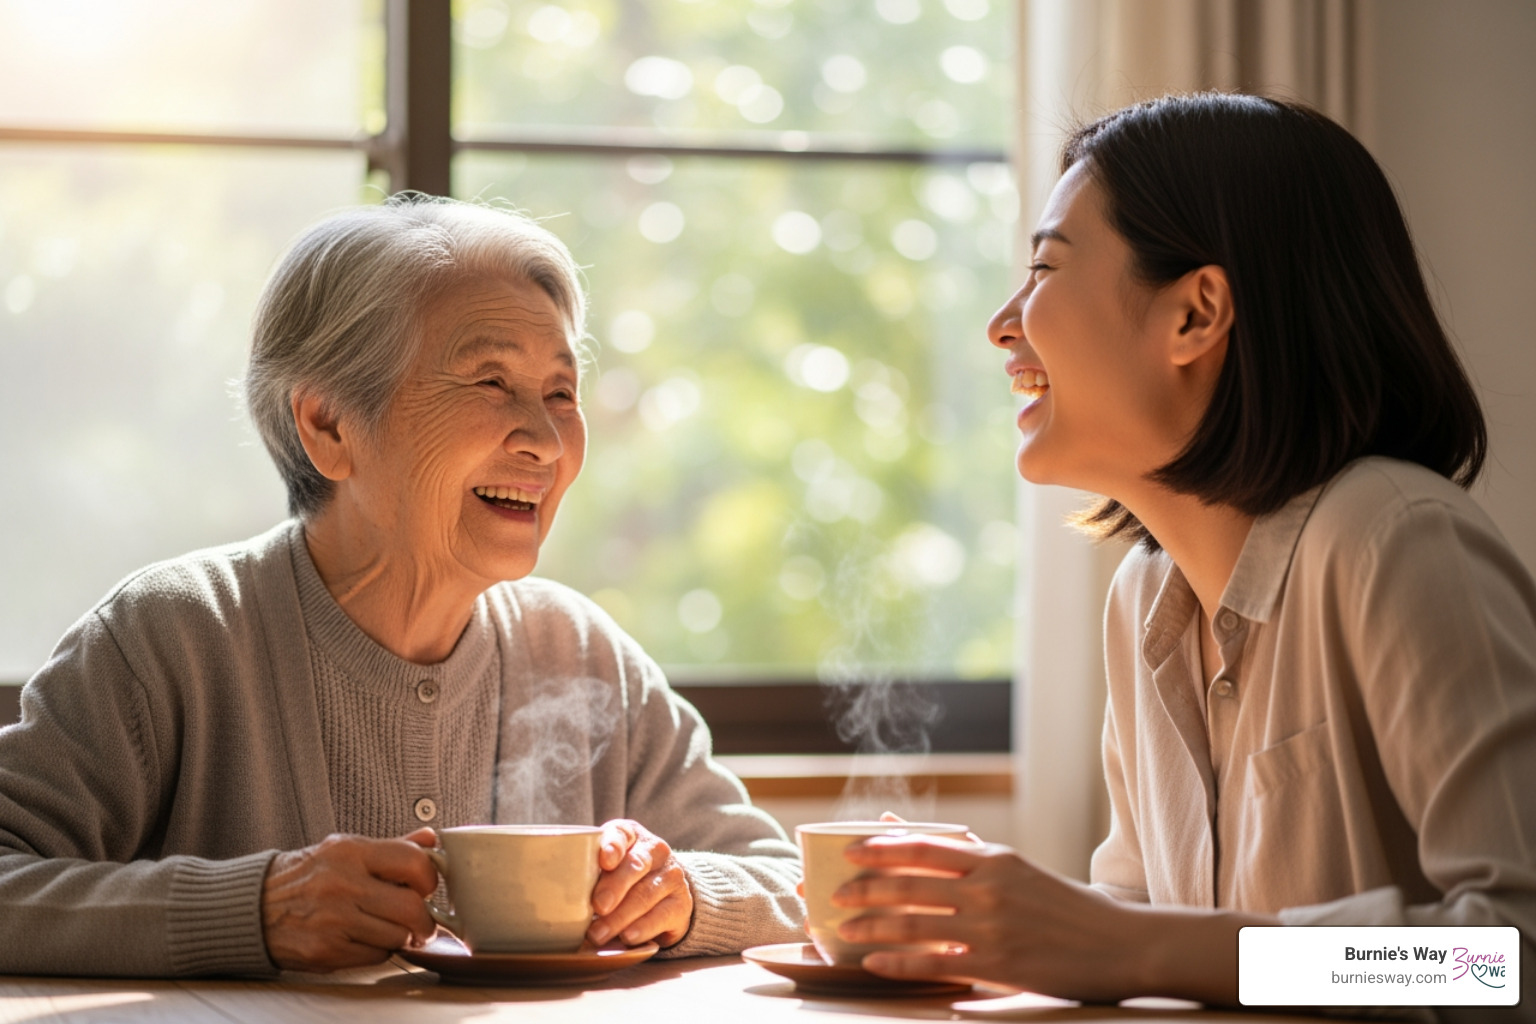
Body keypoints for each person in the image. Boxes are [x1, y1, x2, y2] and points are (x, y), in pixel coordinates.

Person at [826, 92, 1536, 1012]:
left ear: (1197, 314)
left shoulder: (1394, 537)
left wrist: (1139, 948)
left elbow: (1510, 955)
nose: (1005, 324)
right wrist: (985, 922)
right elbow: (1141, 929)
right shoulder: (1144, 597)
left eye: (1044, 269)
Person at [0, 195, 803, 977]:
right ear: (329, 425)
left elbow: (787, 882)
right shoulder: (176, 636)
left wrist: (684, 894)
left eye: (561, 392)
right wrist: (256, 908)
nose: (546, 439)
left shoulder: (580, 651)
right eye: (491, 383)